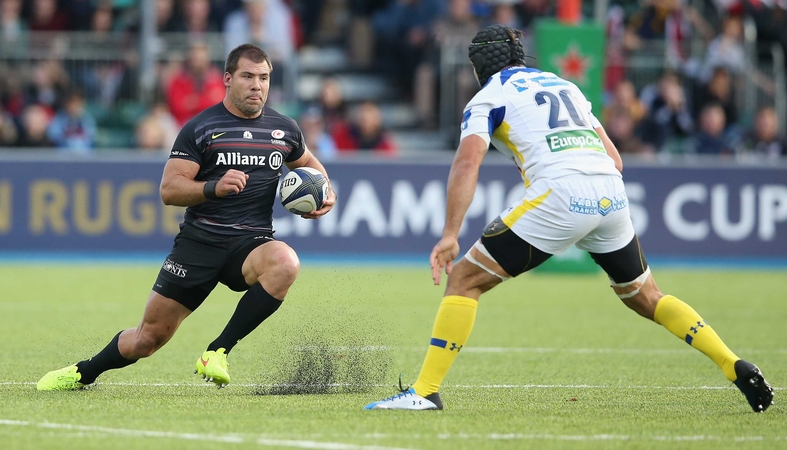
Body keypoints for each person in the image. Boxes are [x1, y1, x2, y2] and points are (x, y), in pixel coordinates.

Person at [364, 25, 773, 412]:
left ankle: (425, 393)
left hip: (560, 193)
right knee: (647, 297)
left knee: (465, 279)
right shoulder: (566, 86)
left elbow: (467, 163)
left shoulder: (488, 96)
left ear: (477, 68)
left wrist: (450, 233)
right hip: (611, 193)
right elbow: (615, 159)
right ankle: (730, 362)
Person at [37, 44, 337, 391]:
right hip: (199, 244)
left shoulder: (284, 130)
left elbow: (312, 168)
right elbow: (169, 189)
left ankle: (218, 351)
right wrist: (213, 188)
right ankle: (82, 372)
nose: (257, 85)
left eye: (264, 78)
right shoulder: (202, 127)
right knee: (147, 339)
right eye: (248, 76)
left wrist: (325, 195)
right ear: (227, 79)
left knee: (286, 262)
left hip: (250, 243)